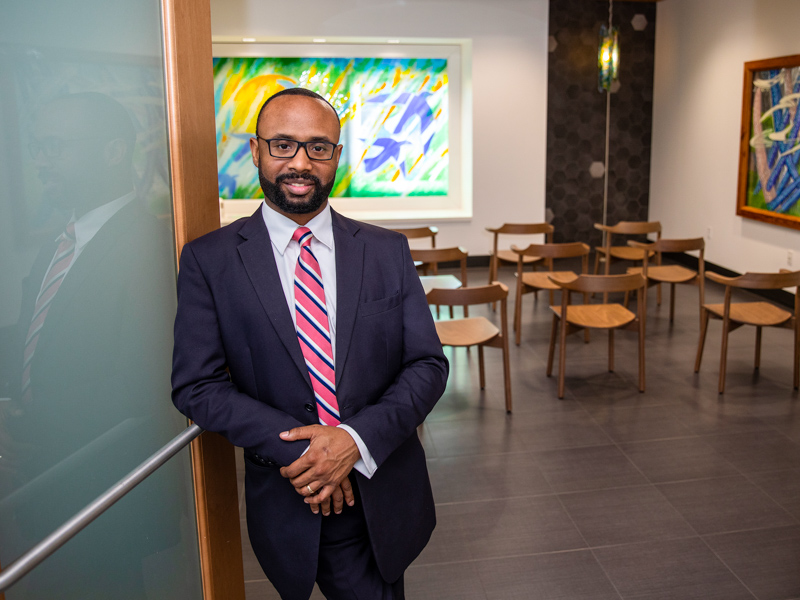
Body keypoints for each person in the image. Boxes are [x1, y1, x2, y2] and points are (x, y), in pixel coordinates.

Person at [171, 87, 449, 599]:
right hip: (290, 489)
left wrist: (352, 441)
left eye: (318, 147)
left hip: (380, 480)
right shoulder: (209, 261)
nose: (300, 162)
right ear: (255, 151)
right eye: (282, 145)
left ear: (336, 157)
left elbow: (428, 365)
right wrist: (315, 450)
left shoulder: (387, 251)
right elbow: (197, 386)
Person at [0, 92, 194, 598]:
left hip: (108, 490)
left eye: (55, 147)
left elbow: (143, 386)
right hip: (49, 481)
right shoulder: (59, 241)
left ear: (111, 151)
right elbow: (36, 341)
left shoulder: (150, 245)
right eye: (38, 148)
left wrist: (27, 423)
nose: (41, 161)